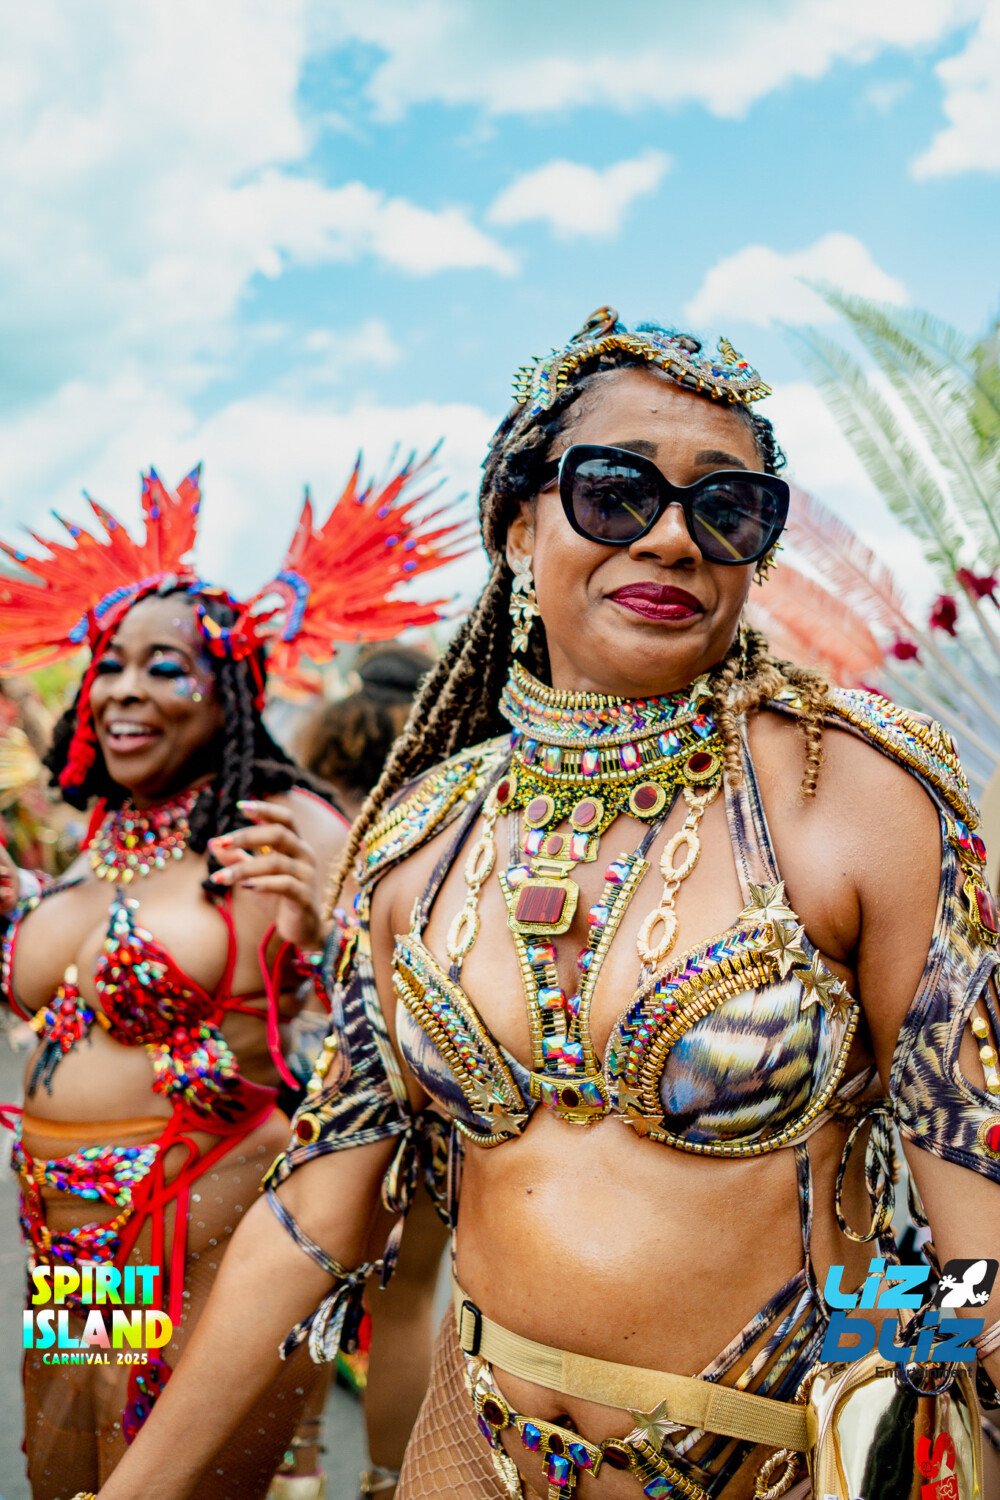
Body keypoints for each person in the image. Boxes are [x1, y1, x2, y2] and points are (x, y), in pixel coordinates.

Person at [90, 310, 1000, 1500]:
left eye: (726, 508)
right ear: (518, 523)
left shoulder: (853, 799)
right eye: (616, 492)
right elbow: (319, 1210)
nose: (671, 537)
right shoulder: (421, 839)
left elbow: (970, 1213)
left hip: (767, 1464)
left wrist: (886, 1420)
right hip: (468, 1451)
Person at [0, 456, 464, 1500]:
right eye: (111, 664)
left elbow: (428, 1016)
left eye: (165, 668)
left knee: (183, 1481)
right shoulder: (102, 837)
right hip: (76, 1245)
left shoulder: (278, 821)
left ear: (232, 691)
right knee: (77, 1468)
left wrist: (330, 932)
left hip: (217, 1232)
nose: (123, 689)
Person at [299, 641, 443, 1500]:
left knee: (315, 1289)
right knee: (399, 1300)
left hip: (318, 1106)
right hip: (421, 1104)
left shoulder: (318, 826)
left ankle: (302, 1468)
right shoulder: (454, 829)